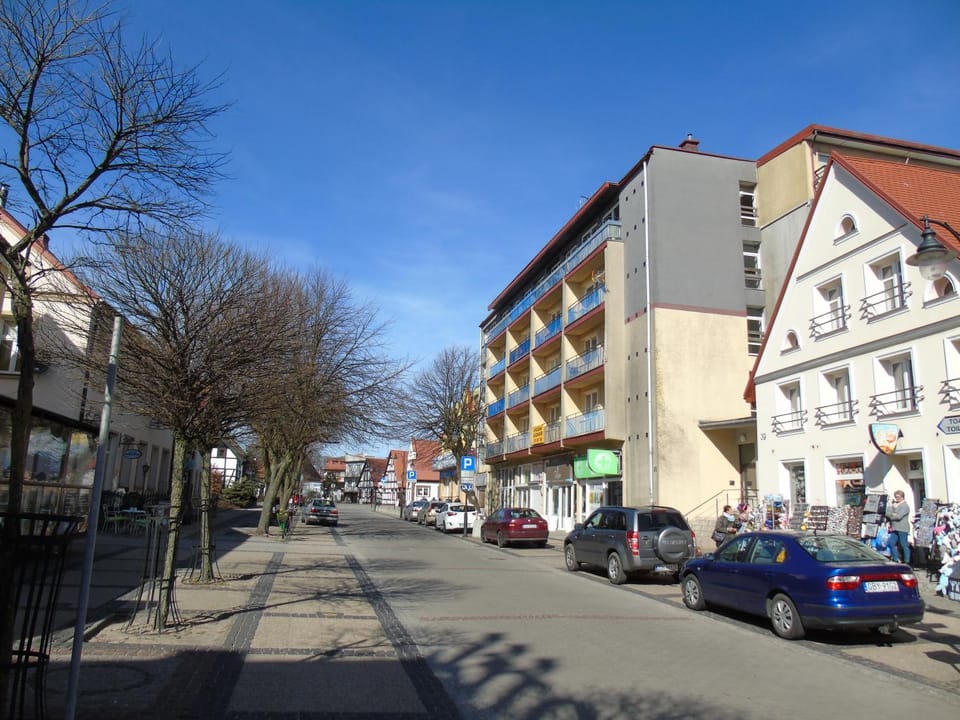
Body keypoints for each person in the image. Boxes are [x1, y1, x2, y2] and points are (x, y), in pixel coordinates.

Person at [885, 490, 911, 564]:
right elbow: (887, 513)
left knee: (904, 544)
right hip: (894, 528)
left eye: (898, 497)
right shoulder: (894, 505)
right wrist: (892, 511)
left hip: (902, 528)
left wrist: (892, 516)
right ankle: (895, 559)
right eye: (896, 497)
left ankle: (907, 561)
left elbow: (899, 517)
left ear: (902, 497)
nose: (897, 498)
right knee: (891, 543)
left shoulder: (905, 506)